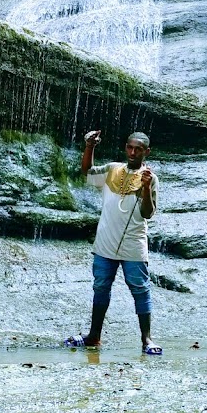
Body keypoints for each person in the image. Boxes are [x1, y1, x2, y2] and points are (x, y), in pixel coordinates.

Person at [65, 129, 162, 355]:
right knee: (100, 287)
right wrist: (90, 146)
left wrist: (146, 188)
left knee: (140, 289)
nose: (132, 152)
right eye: (129, 147)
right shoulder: (112, 169)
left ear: (146, 152)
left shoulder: (150, 177)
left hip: (133, 244)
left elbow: (148, 213)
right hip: (105, 242)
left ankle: (147, 339)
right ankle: (93, 337)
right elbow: (87, 172)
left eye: (138, 149)